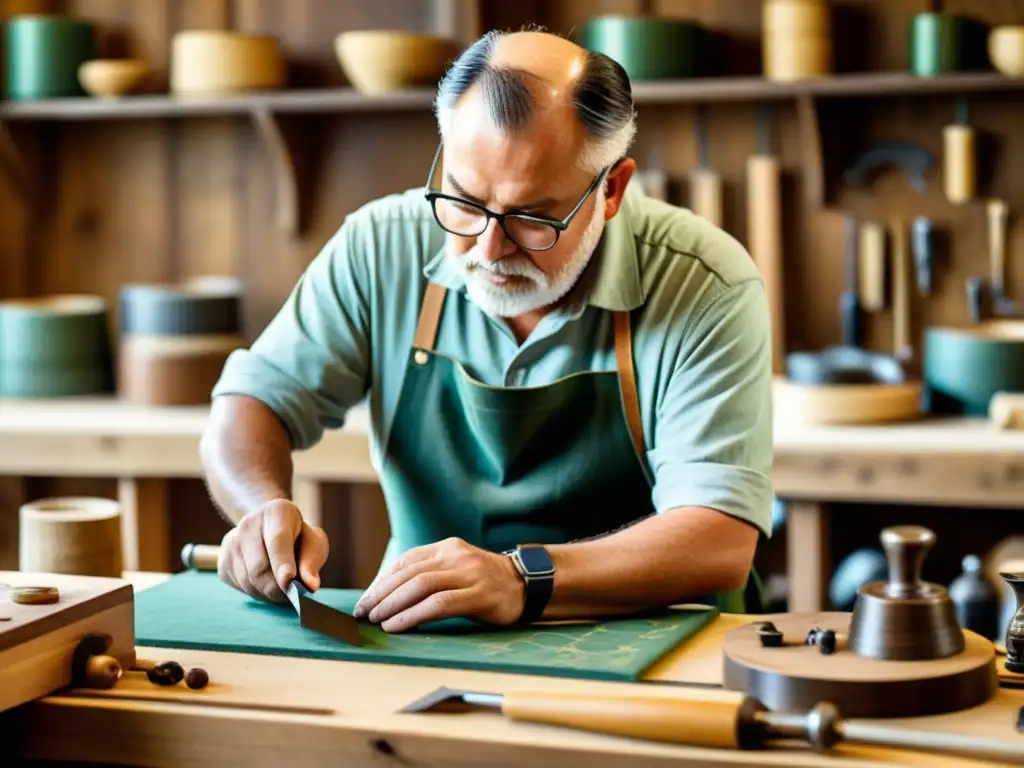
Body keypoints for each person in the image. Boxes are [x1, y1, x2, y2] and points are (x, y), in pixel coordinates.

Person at [199, 28, 775, 634]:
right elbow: (252, 401)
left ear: (611, 189)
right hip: (428, 634)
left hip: (661, 640)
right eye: (466, 201)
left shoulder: (705, 281)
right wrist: (261, 512)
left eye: (532, 218)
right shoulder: (380, 245)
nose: (489, 248)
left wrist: (520, 577)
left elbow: (718, 539)